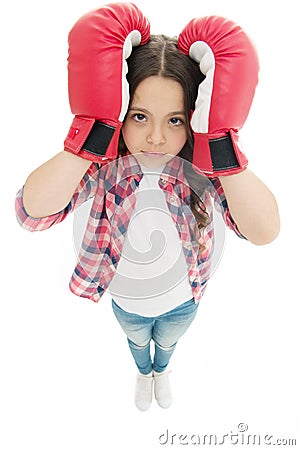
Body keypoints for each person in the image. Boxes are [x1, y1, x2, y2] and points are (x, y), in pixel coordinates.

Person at [15, 3, 280, 411]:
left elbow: (265, 231)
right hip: (127, 301)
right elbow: (31, 213)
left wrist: (220, 141)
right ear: (119, 111)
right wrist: (93, 132)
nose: (155, 137)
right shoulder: (104, 169)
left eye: (174, 120)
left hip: (184, 298)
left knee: (169, 341)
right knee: (137, 341)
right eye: (139, 116)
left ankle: (163, 370)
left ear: (194, 119)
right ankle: (143, 372)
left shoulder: (200, 172)